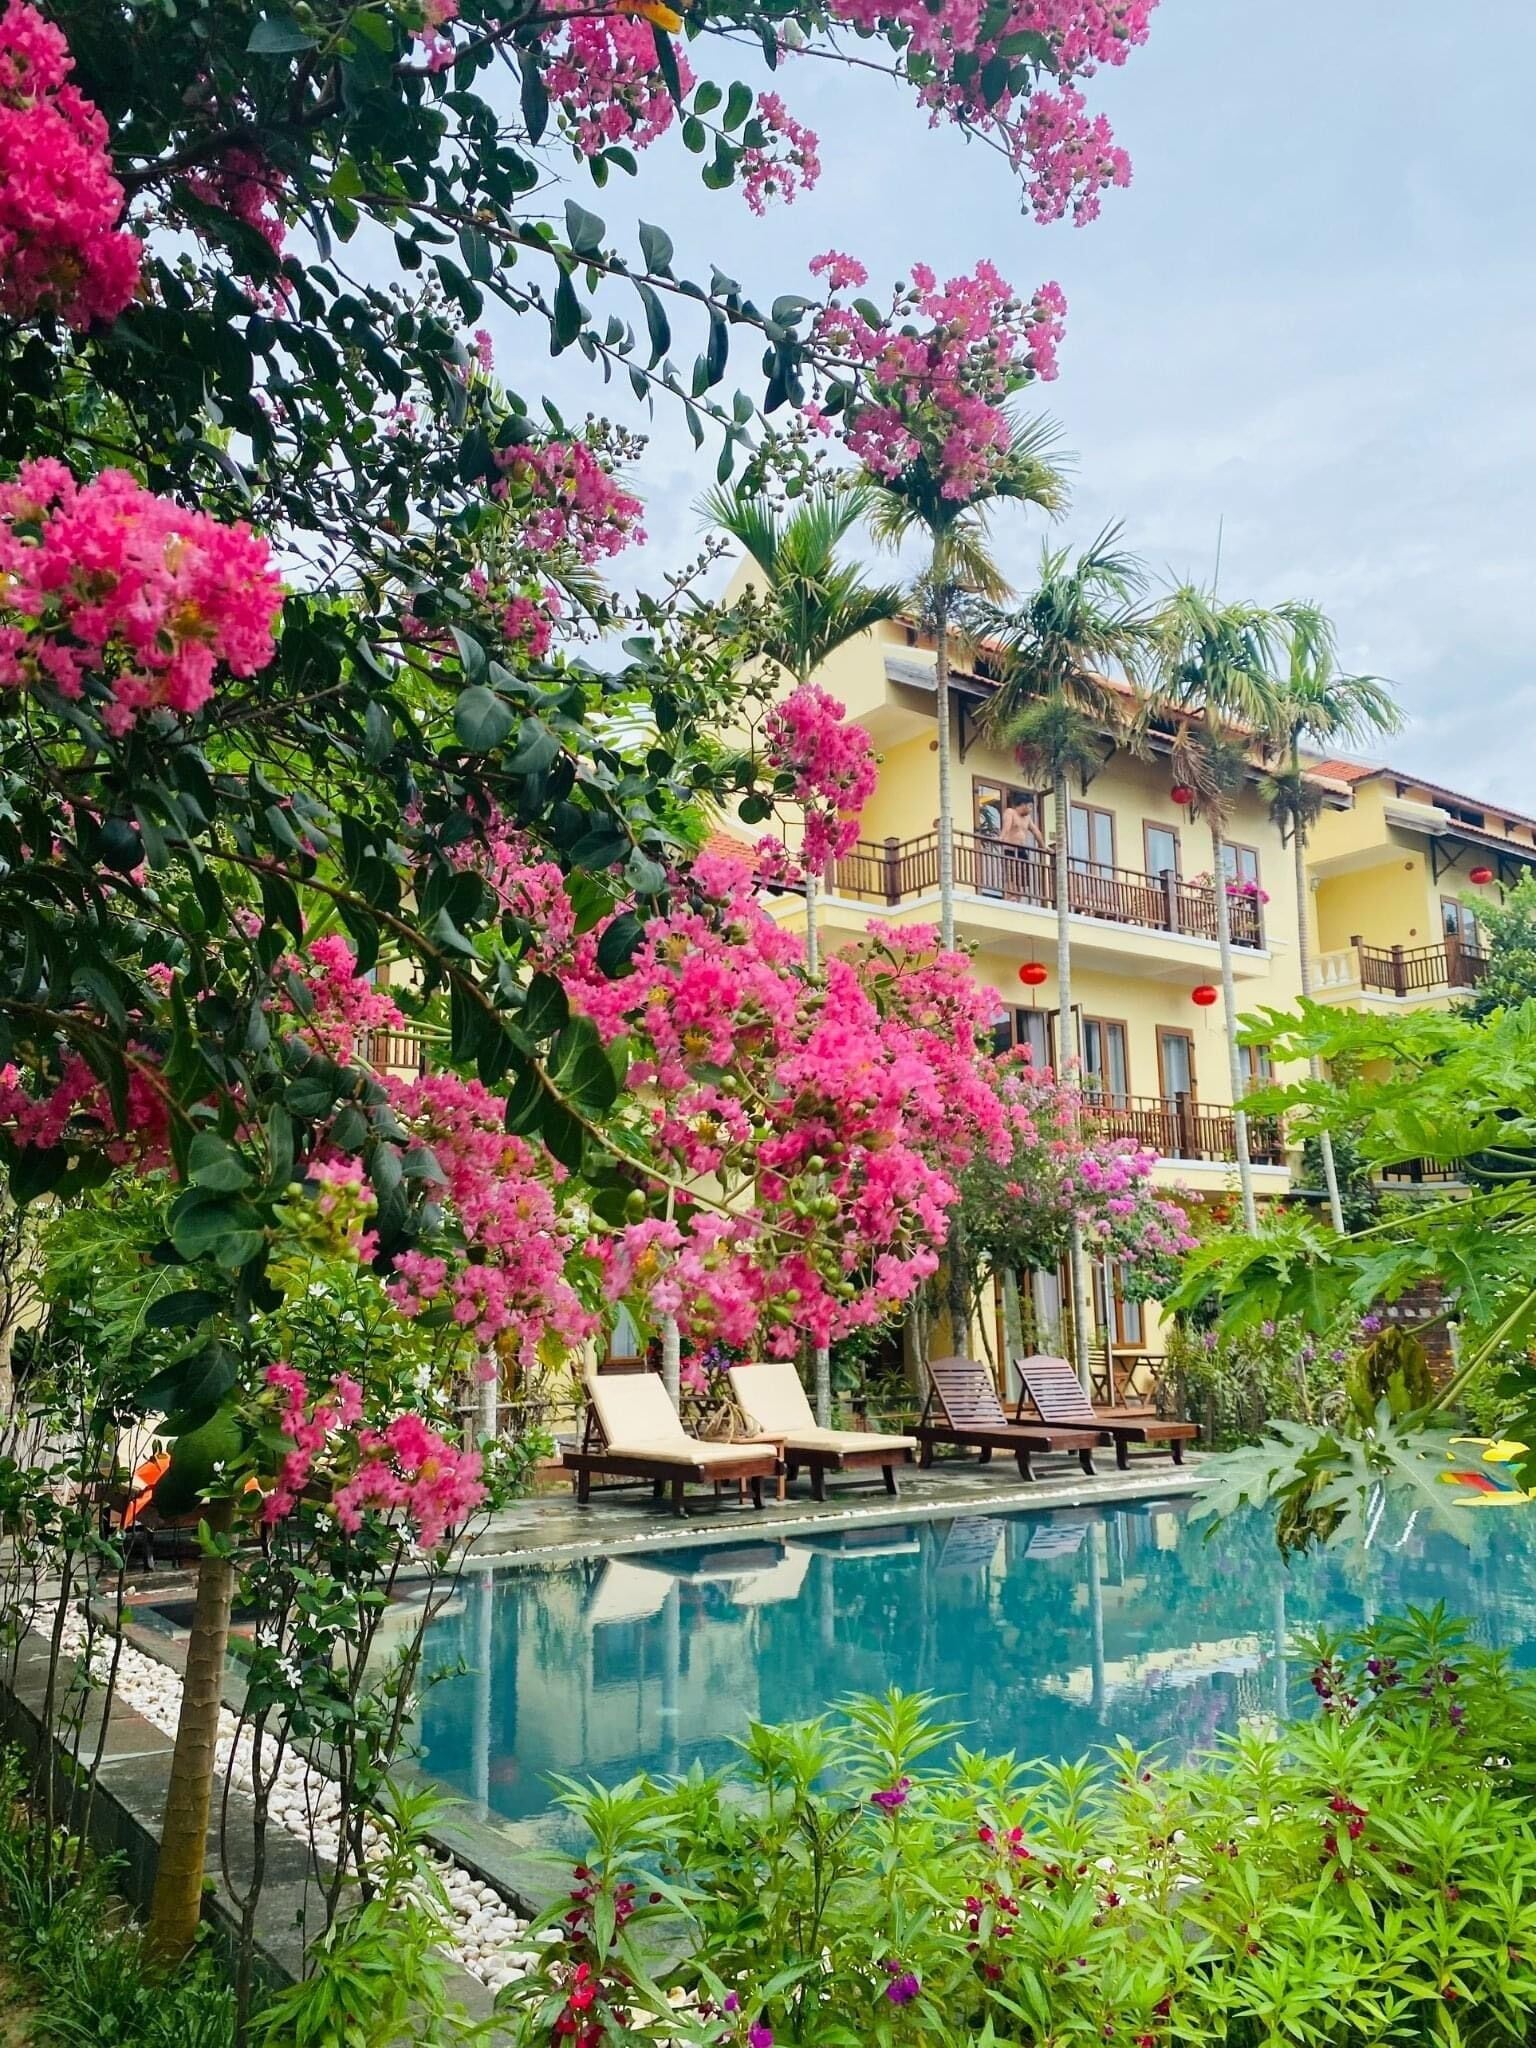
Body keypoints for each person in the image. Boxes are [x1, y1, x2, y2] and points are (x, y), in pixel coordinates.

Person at [999, 793, 1045, 899]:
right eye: (1030, 806)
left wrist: (1043, 847)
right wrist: (1001, 838)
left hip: (1021, 850)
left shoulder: (1027, 818)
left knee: (1022, 879)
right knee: (1011, 877)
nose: (1031, 809)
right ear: (1023, 805)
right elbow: (1006, 826)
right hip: (1010, 848)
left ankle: (1017, 899)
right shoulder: (1010, 812)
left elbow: (1036, 831)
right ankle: (1010, 898)